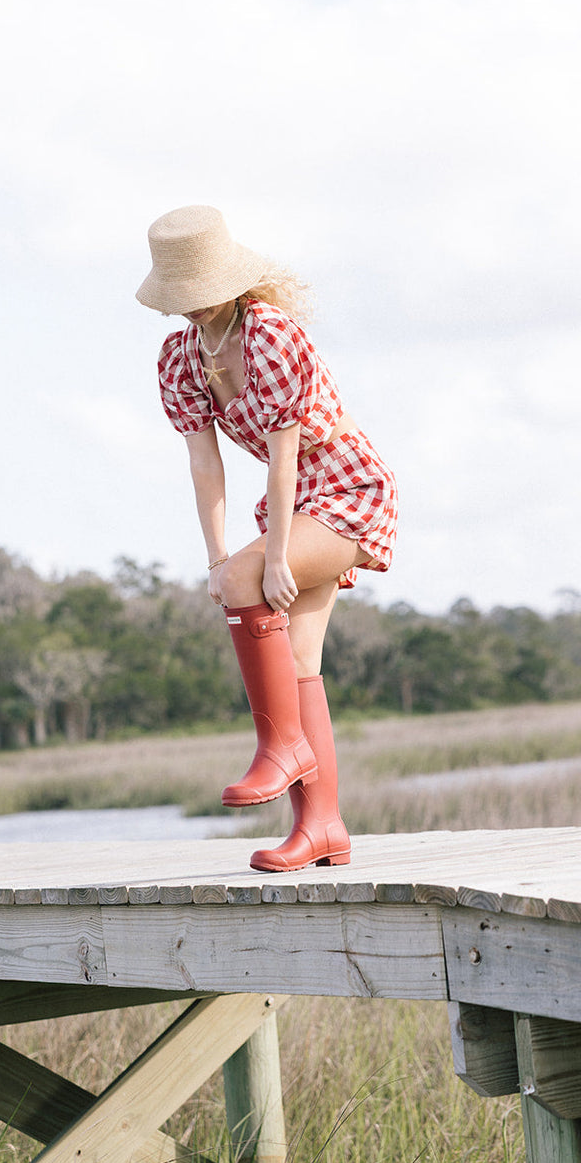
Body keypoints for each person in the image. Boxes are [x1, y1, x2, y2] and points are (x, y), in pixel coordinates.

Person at [137, 205, 398, 872]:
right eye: (183, 294)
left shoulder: (270, 336)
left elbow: (285, 459)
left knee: (246, 582)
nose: (195, 305)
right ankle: (323, 827)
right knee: (299, 661)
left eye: (203, 289)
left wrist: (273, 557)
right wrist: (216, 556)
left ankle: (281, 746)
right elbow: (205, 464)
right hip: (292, 503)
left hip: (343, 485)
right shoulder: (181, 360)